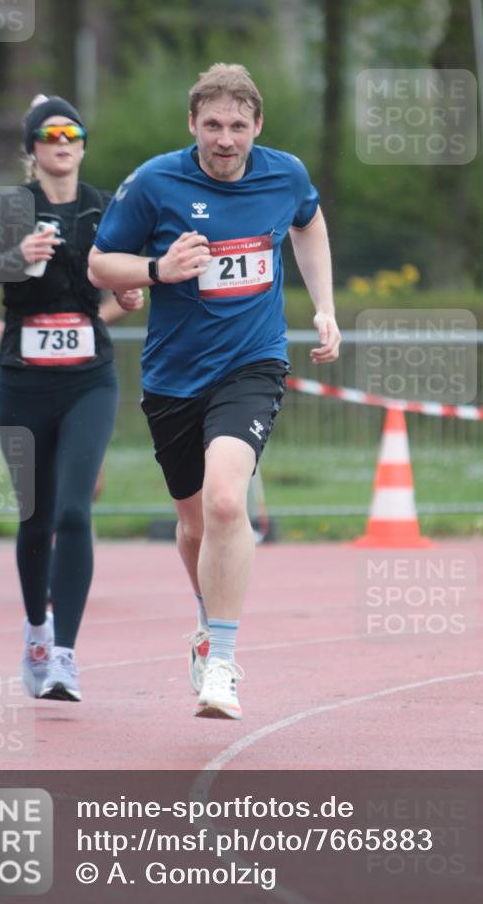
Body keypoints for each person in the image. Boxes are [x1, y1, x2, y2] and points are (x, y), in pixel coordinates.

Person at [88, 64, 340, 720]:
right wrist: (156, 269)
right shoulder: (154, 181)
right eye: (211, 126)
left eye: (237, 126)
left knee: (229, 501)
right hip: (172, 376)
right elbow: (99, 263)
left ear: (256, 125)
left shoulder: (283, 174)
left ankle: (222, 661)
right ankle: (207, 625)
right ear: (192, 126)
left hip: (251, 364)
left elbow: (307, 222)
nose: (224, 139)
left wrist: (324, 307)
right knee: (195, 523)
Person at [0, 94, 143, 702]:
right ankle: (36, 632)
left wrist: (128, 295)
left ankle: (64, 655)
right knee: (35, 518)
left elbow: (130, 277)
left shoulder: (104, 207)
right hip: (23, 380)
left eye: (72, 133)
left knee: (72, 510)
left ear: (83, 146)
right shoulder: (11, 208)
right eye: (49, 134)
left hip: (88, 378)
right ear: (32, 149)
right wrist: (18, 257)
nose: (61, 142)